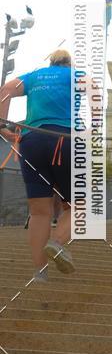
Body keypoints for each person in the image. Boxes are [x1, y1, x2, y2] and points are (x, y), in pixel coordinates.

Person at [0, 49, 75, 281]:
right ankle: (57, 243)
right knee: (79, 205)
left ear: (51, 62)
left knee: (39, 211)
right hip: (65, 139)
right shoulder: (75, 75)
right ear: (68, 64)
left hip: (32, 139)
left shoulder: (34, 76)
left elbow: (5, 90)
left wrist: (3, 125)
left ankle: (40, 272)